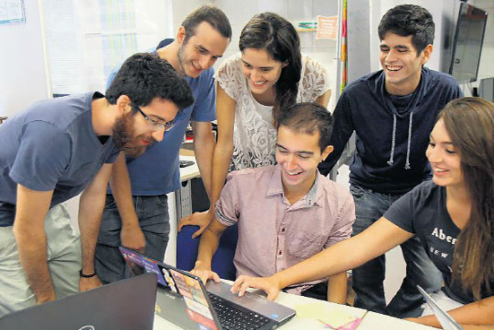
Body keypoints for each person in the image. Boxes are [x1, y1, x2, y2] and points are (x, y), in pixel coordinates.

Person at [232, 97, 494, 329]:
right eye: (432, 144)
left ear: (480, 153)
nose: (434, 157)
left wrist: (422, 323)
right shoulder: (426, 197)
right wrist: (277, 280)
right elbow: (355, 249)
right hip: (453, 306)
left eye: (449, 150)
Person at [0, 53, 193, 316]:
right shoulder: (54, 133)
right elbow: (26, 228)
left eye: (166, 125)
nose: (159, 135)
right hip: (7, 218)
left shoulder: (115, 132)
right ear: (125, 104)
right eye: (154, 121)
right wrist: (45, 298)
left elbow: (93, 197)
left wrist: (87, 272)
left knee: (79, 304)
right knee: (31, 315)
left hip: (42, 208)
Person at [317, 4, 463, 318]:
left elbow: (461, 146)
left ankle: (391, 321)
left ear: (425, 53)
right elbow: (330, 148)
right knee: (366, 279)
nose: (389, 58)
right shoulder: (357, 94)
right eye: (384, 48)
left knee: (430, 277)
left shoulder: (446, 90)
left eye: (401, 49)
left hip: (422, 194)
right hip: (367, 193)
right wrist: (307, 194)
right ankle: (371, 320)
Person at [94, 5, 231, 284]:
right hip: (114, 199)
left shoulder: (203, 78)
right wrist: (129, 220)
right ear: (181, 35)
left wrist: (214, 208)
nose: (205, 63)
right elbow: (113, 150)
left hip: (156, 199)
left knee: (149, 291)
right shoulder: (134, 72)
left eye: (215, 57)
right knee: (110, 294)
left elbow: (205, 140)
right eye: (201, 51)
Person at [179, 12, 332, 238]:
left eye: (265, 69)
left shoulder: (314, 76)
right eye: (248, 65)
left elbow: (313, 149)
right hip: (245, 185)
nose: (254, 76)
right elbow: (224, 144)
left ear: (285, 62)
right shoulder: (230, 72)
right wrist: (214, 209)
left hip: (295, 184)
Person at [192, 102, 355, 303]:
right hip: (251, 291)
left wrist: (333, 317)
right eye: (283, 151)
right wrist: (202, 264)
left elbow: (337, 266)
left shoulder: (339, 202)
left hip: (310, 295)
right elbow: (213, 231)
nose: (290, 164)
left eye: (303, 155)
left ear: (325, 153)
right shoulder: (243, 185)